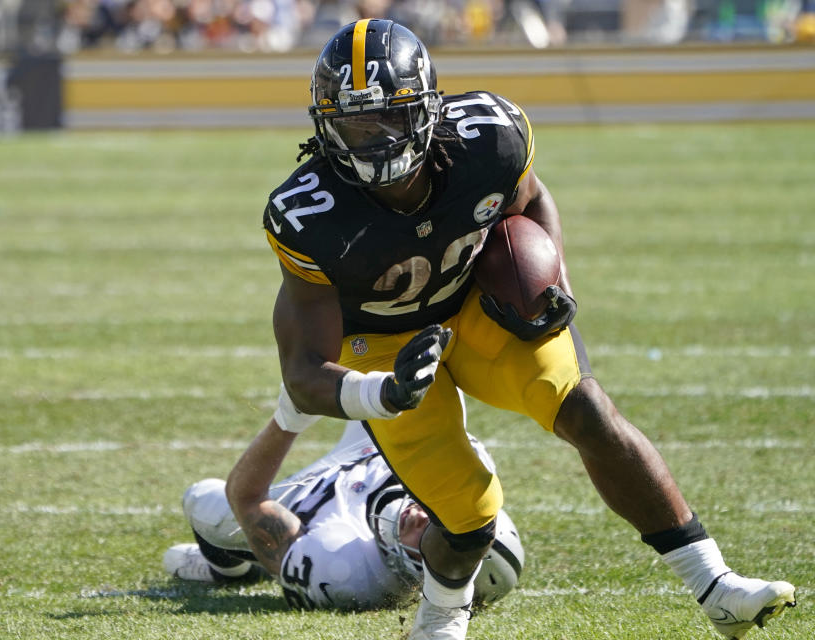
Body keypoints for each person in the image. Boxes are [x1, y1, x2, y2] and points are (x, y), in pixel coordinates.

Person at [259, 17, 795, 640]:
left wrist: (554, 280)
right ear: (325, 124)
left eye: (389, 119)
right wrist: (382, 392)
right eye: (354, 123)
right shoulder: (306, 213)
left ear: (428, 107)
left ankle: (715, 586)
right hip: (381, 346)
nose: (372, 140)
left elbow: (532, 203)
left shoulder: (491, 138)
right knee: (468, 517)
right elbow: (303, 377)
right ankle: (437, 621)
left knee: (585, 408)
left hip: (474, 305)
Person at [164, 400, 525, 610]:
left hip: (304, 499)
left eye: (431, 541)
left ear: (427, 579)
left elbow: (247, 498)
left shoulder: (347, 571)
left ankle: (229, 571)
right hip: (374, 450)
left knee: (203, 500)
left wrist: (291, 415)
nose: (423, 517)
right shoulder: (467, 474)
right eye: (446, 519)